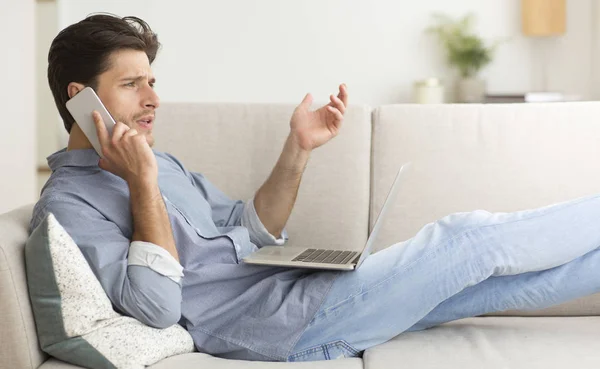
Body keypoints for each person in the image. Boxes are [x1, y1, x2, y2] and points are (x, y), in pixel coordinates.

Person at [30, 14, 600, 363]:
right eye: (132, 85)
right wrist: (142, 183)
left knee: (495, 288)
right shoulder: (69, 206)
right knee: (467, 239)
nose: (153, 98)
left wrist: (297, 148)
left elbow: (251, 230)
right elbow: (157, 310)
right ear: (82, 98)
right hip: (278, 327)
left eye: (152, 81)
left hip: (296, 289)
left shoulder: (162, 161)